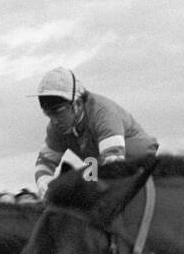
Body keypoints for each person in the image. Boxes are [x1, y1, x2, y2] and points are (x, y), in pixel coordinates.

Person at [32, 67, 158, 198]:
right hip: (107, 168)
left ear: (78, 104)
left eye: (58, 111)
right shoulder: (56, 127)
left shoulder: (102, 114)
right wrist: (44, 184)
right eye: (48, 113)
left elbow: (112, 164)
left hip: (142, 167)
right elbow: (44, 163)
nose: (54, 120)